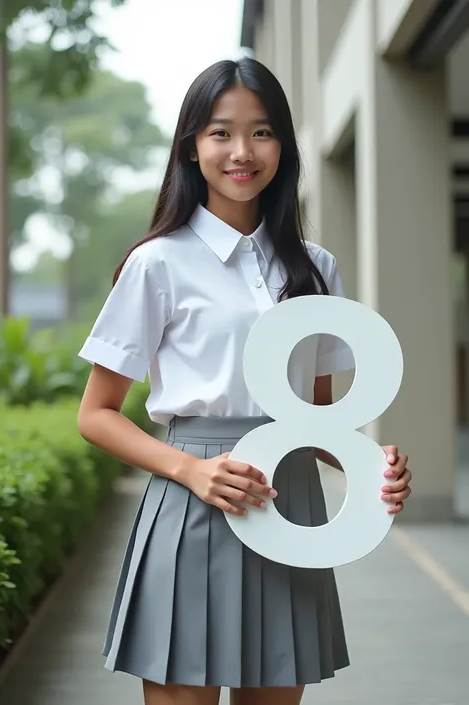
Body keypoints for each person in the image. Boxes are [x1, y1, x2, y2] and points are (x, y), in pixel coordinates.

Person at [77, 57, 412, 705]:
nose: (241, 151)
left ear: (283, 145)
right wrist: (192, 470)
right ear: (191, 147)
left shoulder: (316, 267)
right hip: (194, 498)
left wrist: (374, 469)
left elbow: (318, 423)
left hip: (291, 509)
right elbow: (97, 414)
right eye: (220, 132)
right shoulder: (157, 263)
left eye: (261, 132)